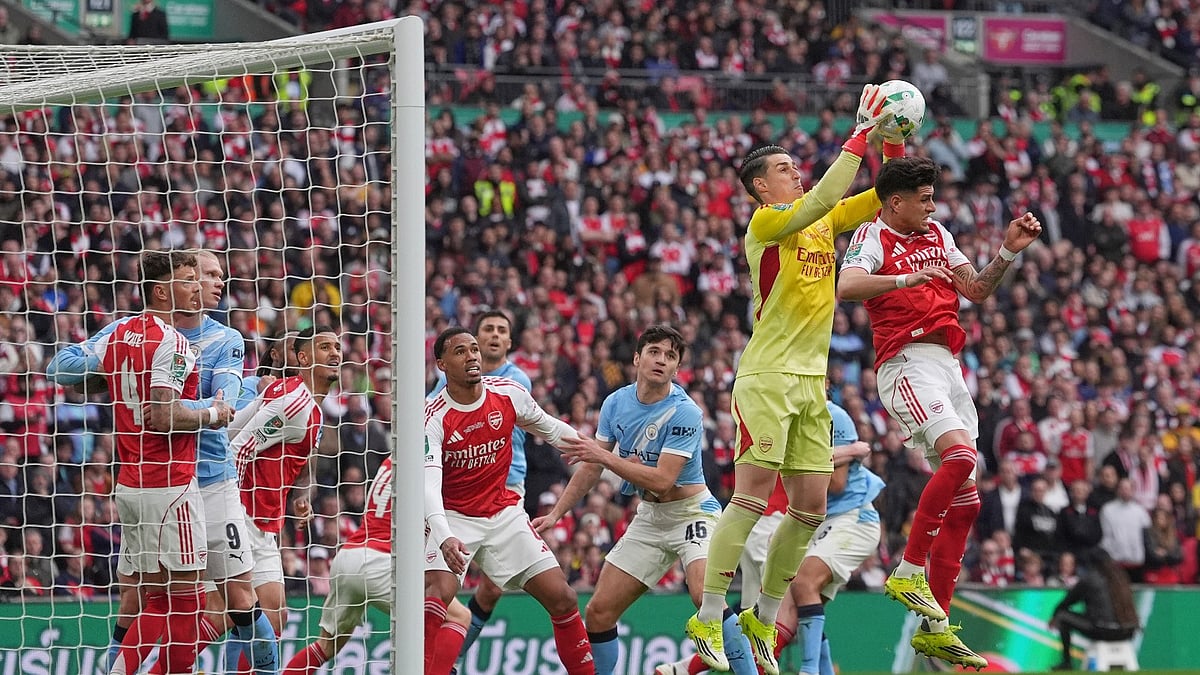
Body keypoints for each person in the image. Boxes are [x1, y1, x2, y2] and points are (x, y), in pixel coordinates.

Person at [688, 83, 901, 675]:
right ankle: (710, 613)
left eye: (796, 166)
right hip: (767, 376)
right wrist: (860, 132)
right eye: (785, 169)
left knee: (808, 507)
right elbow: (827, 195)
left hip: (811, 383)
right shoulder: (767, 222)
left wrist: (890, 142)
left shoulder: (819, 222)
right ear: (761, 186)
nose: (797, 173)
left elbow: (885, 197)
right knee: (752, 497)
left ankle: (761, 613)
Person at [837, 156, 1042, 670]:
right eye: (923, 198)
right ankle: (908, 569)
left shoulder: (937, 233)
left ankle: (936, 628)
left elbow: (974, 288)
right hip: (905, 362)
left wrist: (1007, 253)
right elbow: (848, 286)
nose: (932, 204)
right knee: (956, 458)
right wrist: (907, 280)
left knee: (969, 499)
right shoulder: (873, 235)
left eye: (933, 196)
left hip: (949, 365)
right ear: (895, 203)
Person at [47, 250, 278, 672]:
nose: (211, 283)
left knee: (240, 599)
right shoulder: (139, 334)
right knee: (145, 599)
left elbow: (227, 401)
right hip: (169, 483)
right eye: (201, 275)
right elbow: (58, 368)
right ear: (166, 287)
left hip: (210, 480)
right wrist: (122, 374)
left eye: (212, 276)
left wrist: (146, 383)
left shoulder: (226, 339)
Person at [533, 325, 756, 675]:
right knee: (599, 612)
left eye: (670, 356)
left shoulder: (685, 411)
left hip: (693, 513)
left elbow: (663, 480)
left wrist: (607, 458)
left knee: (704, 597)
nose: (661, 360)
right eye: (654, 352)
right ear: (637, 358)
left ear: (676, 368)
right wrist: (558, 512)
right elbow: (591, 467)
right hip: (651, 517)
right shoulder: (615, 403)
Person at [661, 400, 883, 675]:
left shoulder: (783, 412)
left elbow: (828, 480)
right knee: (780, 611)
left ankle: (684, 669)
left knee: (792, 604)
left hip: (770, 522)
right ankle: (690, 668)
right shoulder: (780, 417)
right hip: (769, 522)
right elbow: (799, 465)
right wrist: (848, 451)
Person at [93, 251, 234, 674]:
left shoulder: (117, 336)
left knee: (156, 598)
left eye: (197, 279)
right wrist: (214, 413)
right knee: (189, 600)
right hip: (169, 485)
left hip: (131, 483)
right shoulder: (173, 343)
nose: (197, 289)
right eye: (188, 280)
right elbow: (163, 413)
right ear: (160, 290)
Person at [423, 327, 593, 675]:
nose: (472, 356)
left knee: (563, 598)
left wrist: (596, 451)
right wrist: (444, 536)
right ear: (441, 363)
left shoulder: (509, 394)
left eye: (474, 349)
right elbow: (428, 486)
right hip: (454, 516)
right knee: (436, 595)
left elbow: (550, 428)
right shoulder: (433, 416)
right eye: (460, 351)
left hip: (504, 514)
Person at [225, 325, 342, 669]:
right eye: (324, 347)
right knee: (227, 616)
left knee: (273, 617)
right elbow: (238, 448)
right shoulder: (297, 402)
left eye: (337, 346)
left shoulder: (299, 399)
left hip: (264, 520)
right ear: (302, 357)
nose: (335, 353)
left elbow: (298, 464)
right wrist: (229, 509)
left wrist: (299, 497)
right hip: (242, 515)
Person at [426, 311, 535, 673]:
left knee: (492, 588)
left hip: (507, 485)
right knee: (442, 582)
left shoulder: (515, 381)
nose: (492, 336)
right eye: (487, 329)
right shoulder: (447, 387)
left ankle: (452, 656)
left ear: (508, 343)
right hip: (458, 488)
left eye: (501, 331)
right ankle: (433, 658)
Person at [283, 456, 395, 673]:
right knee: (453, 617)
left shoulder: (390, 461)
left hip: (349, 556)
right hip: (379, 561)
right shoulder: (428, 462)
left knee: (325, 646)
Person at [1048, 550, 1140, 671]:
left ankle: (1066, 662)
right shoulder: (1121, 577)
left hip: (1102, 630)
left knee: (1063, 616)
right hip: (1127, 630)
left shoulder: (1091, 578)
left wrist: (1055, 616)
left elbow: (1068, 601)